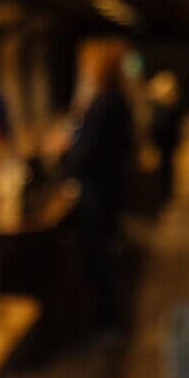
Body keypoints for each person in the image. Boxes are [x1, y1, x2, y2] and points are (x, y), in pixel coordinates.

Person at [60, 40, 135, 329]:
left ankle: (106, 318)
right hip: (110, 184)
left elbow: (87, 152)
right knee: (103, 248)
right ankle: (106, 313)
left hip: (98, 189)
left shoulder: (103, 103)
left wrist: (67, 151)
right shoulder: (116, 99)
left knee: (96, 253)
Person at [148, 70, 183, 206]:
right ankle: (166, 191)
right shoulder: (170, 106)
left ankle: (165, 192)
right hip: (168, 142)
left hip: (166, 143)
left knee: (166, 166)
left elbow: (163, 127)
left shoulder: (167, 109)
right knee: (167, 166)